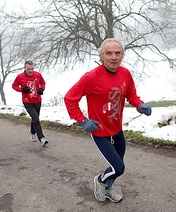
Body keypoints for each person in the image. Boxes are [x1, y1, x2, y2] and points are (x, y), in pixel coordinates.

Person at [64, 38, 152, 203]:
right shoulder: (91, 77)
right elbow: (70, 98)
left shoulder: (125, 73)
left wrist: (140, 105)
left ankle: (108, 188)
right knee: (118, 168)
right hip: (99, 131)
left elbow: (131, 95)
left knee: (117, 167)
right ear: (102, 56)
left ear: (122, 55)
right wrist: (82, 120)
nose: (114, 57)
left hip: (117, 129)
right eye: (109, 53)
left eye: (117, 53)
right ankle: (100, 181)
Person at [12, 60, 48, 146]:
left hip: (37, 100)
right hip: (27, 102)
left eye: (32, 68)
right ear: (24, 68)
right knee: (36, 119)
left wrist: (41, 89)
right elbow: (14, 86)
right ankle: (42, 138)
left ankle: (32, 131)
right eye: (29, 69)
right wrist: (22, 90)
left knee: (35, 118)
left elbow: (43, 83)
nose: (31, 71)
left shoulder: (38, 75)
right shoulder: (20, 77)